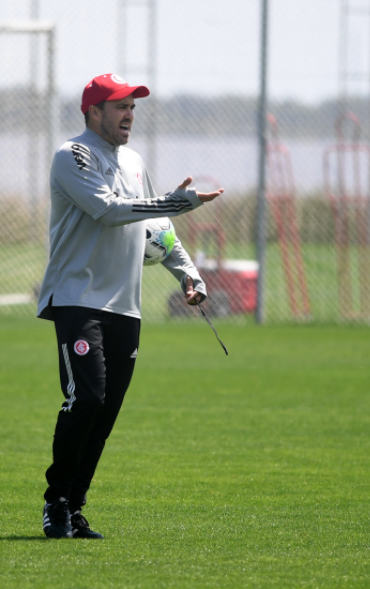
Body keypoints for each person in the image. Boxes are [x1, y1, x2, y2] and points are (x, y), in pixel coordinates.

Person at [36, 74, 223, 538]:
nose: (129, 115)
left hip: (126, 307)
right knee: (88, 398)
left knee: (106, 411)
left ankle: (75, 508)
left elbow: (156, 225)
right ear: (93, 112)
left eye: (133, 107)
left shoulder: (135, 161)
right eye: (119, 106)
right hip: (78, 299)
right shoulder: (72, 155)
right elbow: (109, 209)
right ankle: (55, 503)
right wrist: (177, 202)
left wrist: (189, 275)